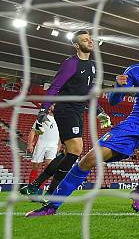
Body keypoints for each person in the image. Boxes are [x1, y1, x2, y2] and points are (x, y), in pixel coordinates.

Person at [26, 30, 139, 217]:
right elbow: (114, 101)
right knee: (89, 159)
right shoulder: (135, 71)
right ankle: (52, 206)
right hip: (135, 124)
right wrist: (118, 87)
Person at [20, 30, 111, 198]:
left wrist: (99, 111)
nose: (89, 41)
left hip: (78, 110)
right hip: (65, 108)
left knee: (68, 153)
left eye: (90, 39)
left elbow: (89, 91)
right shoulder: (70, 63)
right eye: (85, 40)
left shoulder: (92, 66)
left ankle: (34, 186)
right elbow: (54, 87)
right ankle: (53, 192)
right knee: (76, 150)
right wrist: (43, 110)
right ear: (76, 45)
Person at [26, 105, 60, 193]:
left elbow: (60, 135)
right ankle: (31, 189)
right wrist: (30, 144)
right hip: (41, 144)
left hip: (53, 146)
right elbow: (33, 131)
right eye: (53, 105)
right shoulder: (43, 117)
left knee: (49, 168)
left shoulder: (61, 119)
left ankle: (40, 188)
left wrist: (58, 146)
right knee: (36, 166)